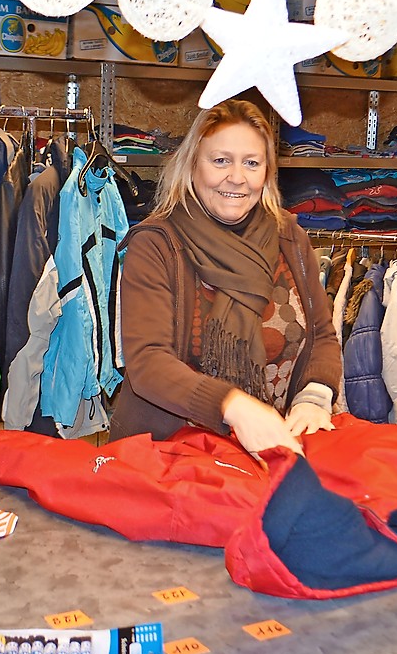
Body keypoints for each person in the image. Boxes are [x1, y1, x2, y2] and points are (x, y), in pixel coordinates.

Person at [111, 99, 342, 458]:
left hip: (272, 450)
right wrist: (233, 405)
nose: (237, 177)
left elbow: (322, 335)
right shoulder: (157, 244)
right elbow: (148, 363)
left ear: (266, 172)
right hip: (170, 455)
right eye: (221, 160)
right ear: (192, 165)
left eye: (251, 163)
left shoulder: (288, 238)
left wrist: (314, 396)